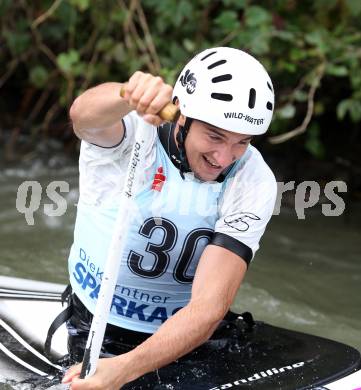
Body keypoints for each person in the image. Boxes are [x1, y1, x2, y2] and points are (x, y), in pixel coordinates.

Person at [61, 47, 277, 389]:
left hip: (186, 337)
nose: (224, 157)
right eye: (215, 136)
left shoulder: (253, 179)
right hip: (98, 327)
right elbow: (82, 116)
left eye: (242, 142)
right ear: (182, 117)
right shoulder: (133, 135)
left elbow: (208, 309)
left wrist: (125, 370)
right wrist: (125, 93)